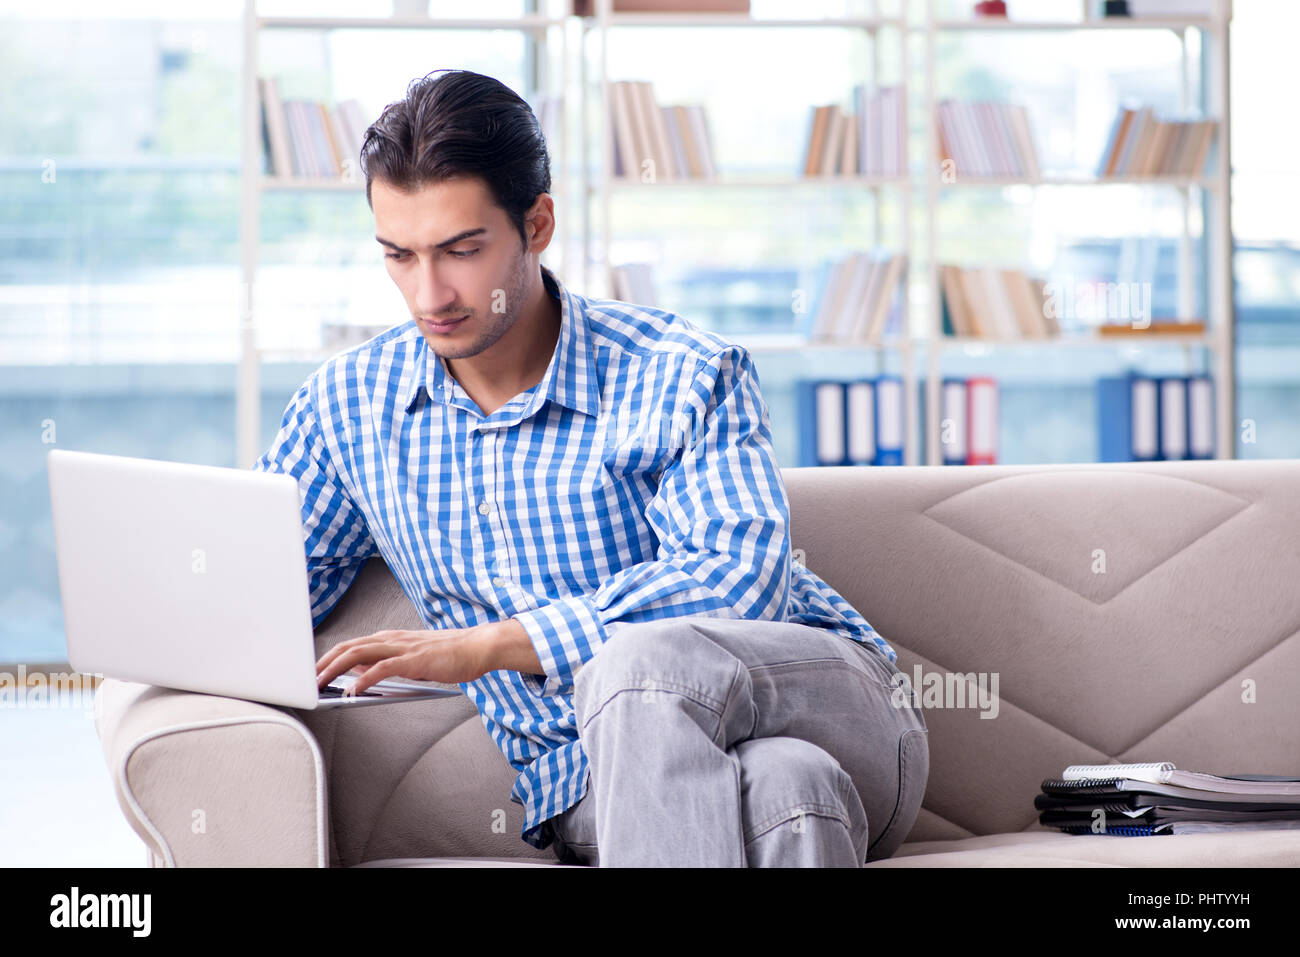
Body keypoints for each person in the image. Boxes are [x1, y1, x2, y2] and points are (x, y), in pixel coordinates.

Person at [260, 68, 928, 867]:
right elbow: (259, 594)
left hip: (820, 704)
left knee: (642, 663)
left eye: (461, 250)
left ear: (537, 224)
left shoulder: (678, 370)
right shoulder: (348, 408)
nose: (427, 292)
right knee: (786, 791)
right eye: (398, 255)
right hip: (591, 781)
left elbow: (739, 582)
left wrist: (493, 645)